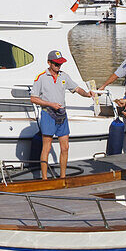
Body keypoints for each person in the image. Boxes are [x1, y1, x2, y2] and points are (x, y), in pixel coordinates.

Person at [30, 49, 91, 179]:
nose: (59, 66)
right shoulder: (41, 78)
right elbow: (33, 98)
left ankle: (63, 177)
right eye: (56, 64)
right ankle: (45, 178)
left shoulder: (64, 76)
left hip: (62, 115)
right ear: (49, 63)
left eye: (60, 64)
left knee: (65, 147)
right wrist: (50, 104)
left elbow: (77, 88)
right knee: (46, 147)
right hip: (48, 114)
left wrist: (87, 94)